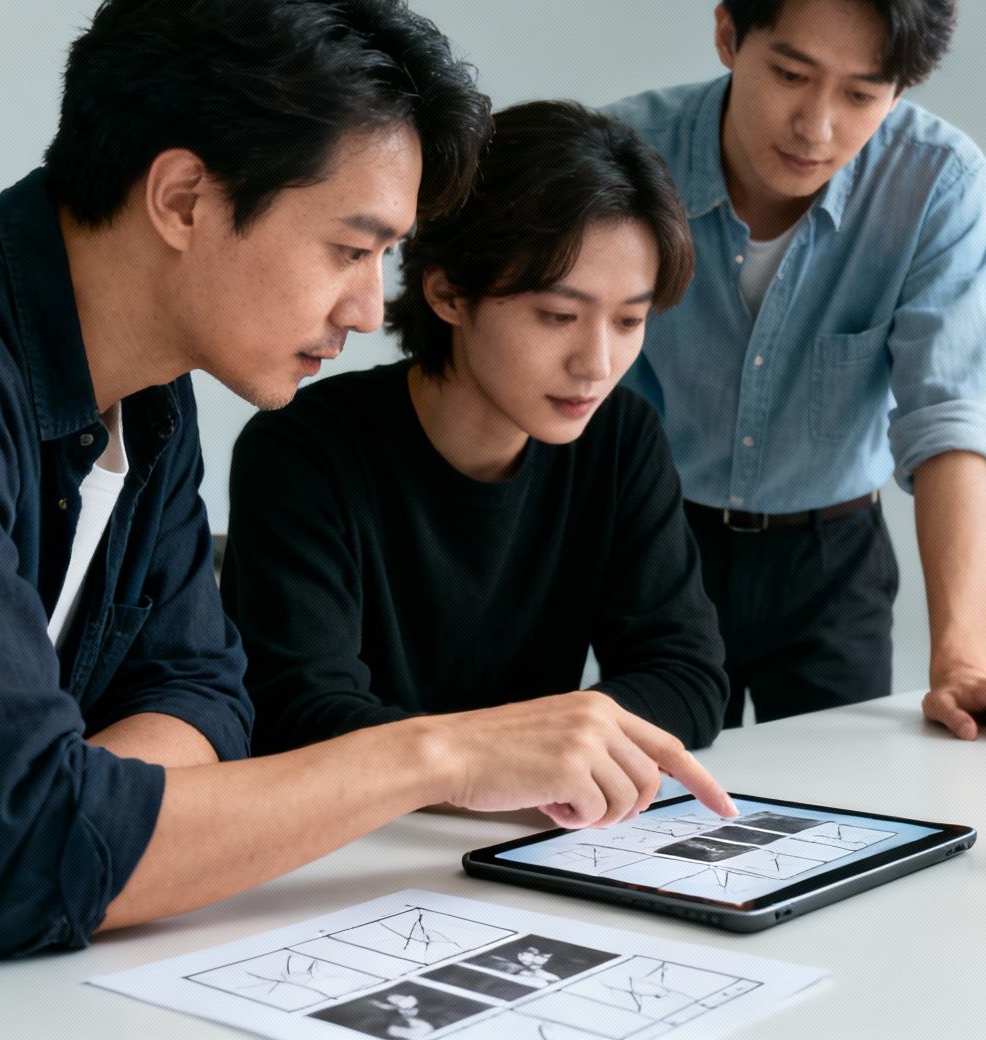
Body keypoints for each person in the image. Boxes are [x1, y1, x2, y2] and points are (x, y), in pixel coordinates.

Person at [0, 0, 731, 960]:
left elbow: (204, 695)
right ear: (182, 198)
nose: (371, 309)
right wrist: (438, 754)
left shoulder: (151, 394)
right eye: (348, 248)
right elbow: (13, 864)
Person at [604, 0, 986, 746]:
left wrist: (962, 665)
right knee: (648, 804)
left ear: (900, 90)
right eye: (790, 75)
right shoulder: (624, 158)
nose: (816, 127)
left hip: (833, 557)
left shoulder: (936, 183)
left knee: (839, 815)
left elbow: (950, 418)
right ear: (729, 36)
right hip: (661, 541)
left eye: (863, 95)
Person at [222, 100, 727, 754]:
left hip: (530, 825)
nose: (597, 365)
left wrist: (533, 754)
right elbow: (301, 712)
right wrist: (517, 753)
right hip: (354, 839)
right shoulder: (303, 448)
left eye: (629, 321)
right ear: (449, 293)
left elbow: (688, 680)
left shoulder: (619, 439)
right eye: (557, 316)